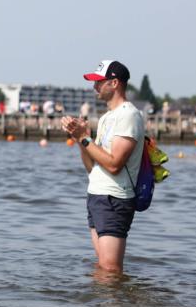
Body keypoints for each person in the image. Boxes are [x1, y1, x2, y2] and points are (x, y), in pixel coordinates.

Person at [61, 60, 144, 276]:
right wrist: (80, 140)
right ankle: (105, 300)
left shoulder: (128, 115)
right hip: (97, 196)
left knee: (110, 270)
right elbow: (93, 167)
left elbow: (114, 164)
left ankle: (118, 300)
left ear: (114, 83)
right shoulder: (107, 117)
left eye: (99, 82)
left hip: (114, 198)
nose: (94, 86)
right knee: (102, 268)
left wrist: (84, 138)